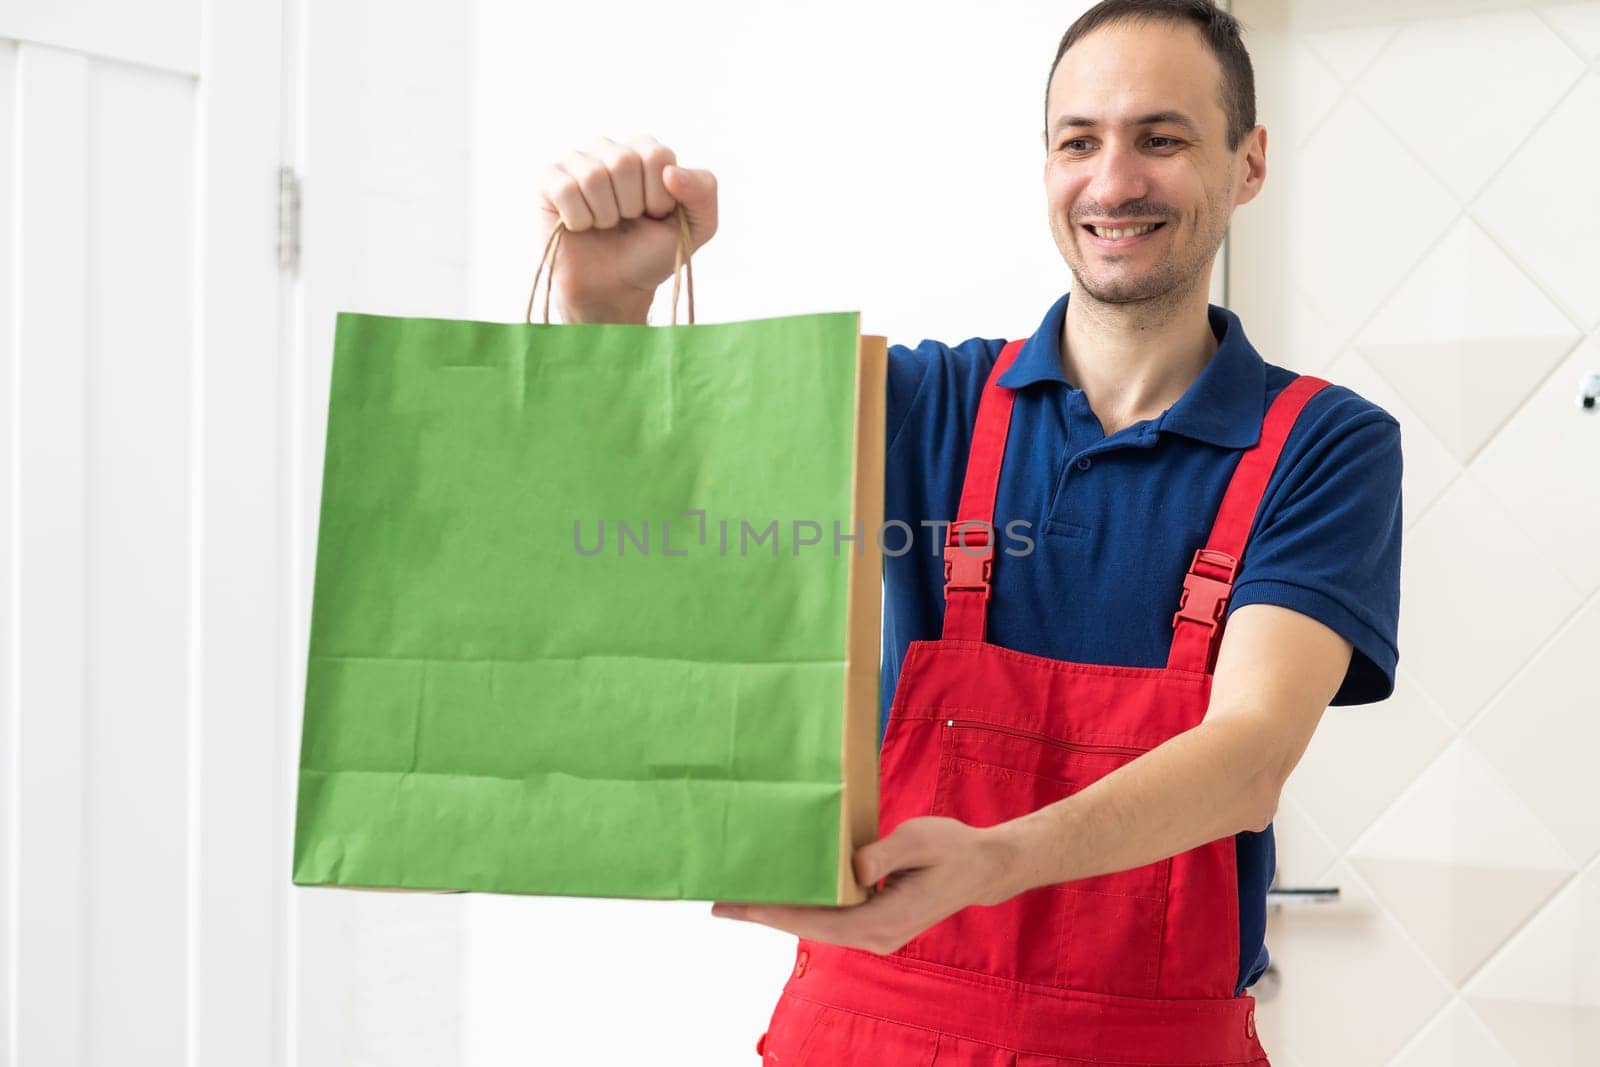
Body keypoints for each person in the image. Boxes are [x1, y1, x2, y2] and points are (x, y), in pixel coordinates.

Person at [534, 1, 1402, 1063]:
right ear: (1045, 165)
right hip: (865, 1032)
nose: (1113, 179)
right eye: (1078, 140)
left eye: (1161, 138)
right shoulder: (920, 403)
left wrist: (993, 863)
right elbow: (654, 520)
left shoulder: (1322, 445)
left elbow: (1245, 757)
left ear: (1248, 161)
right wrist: (604, 312)